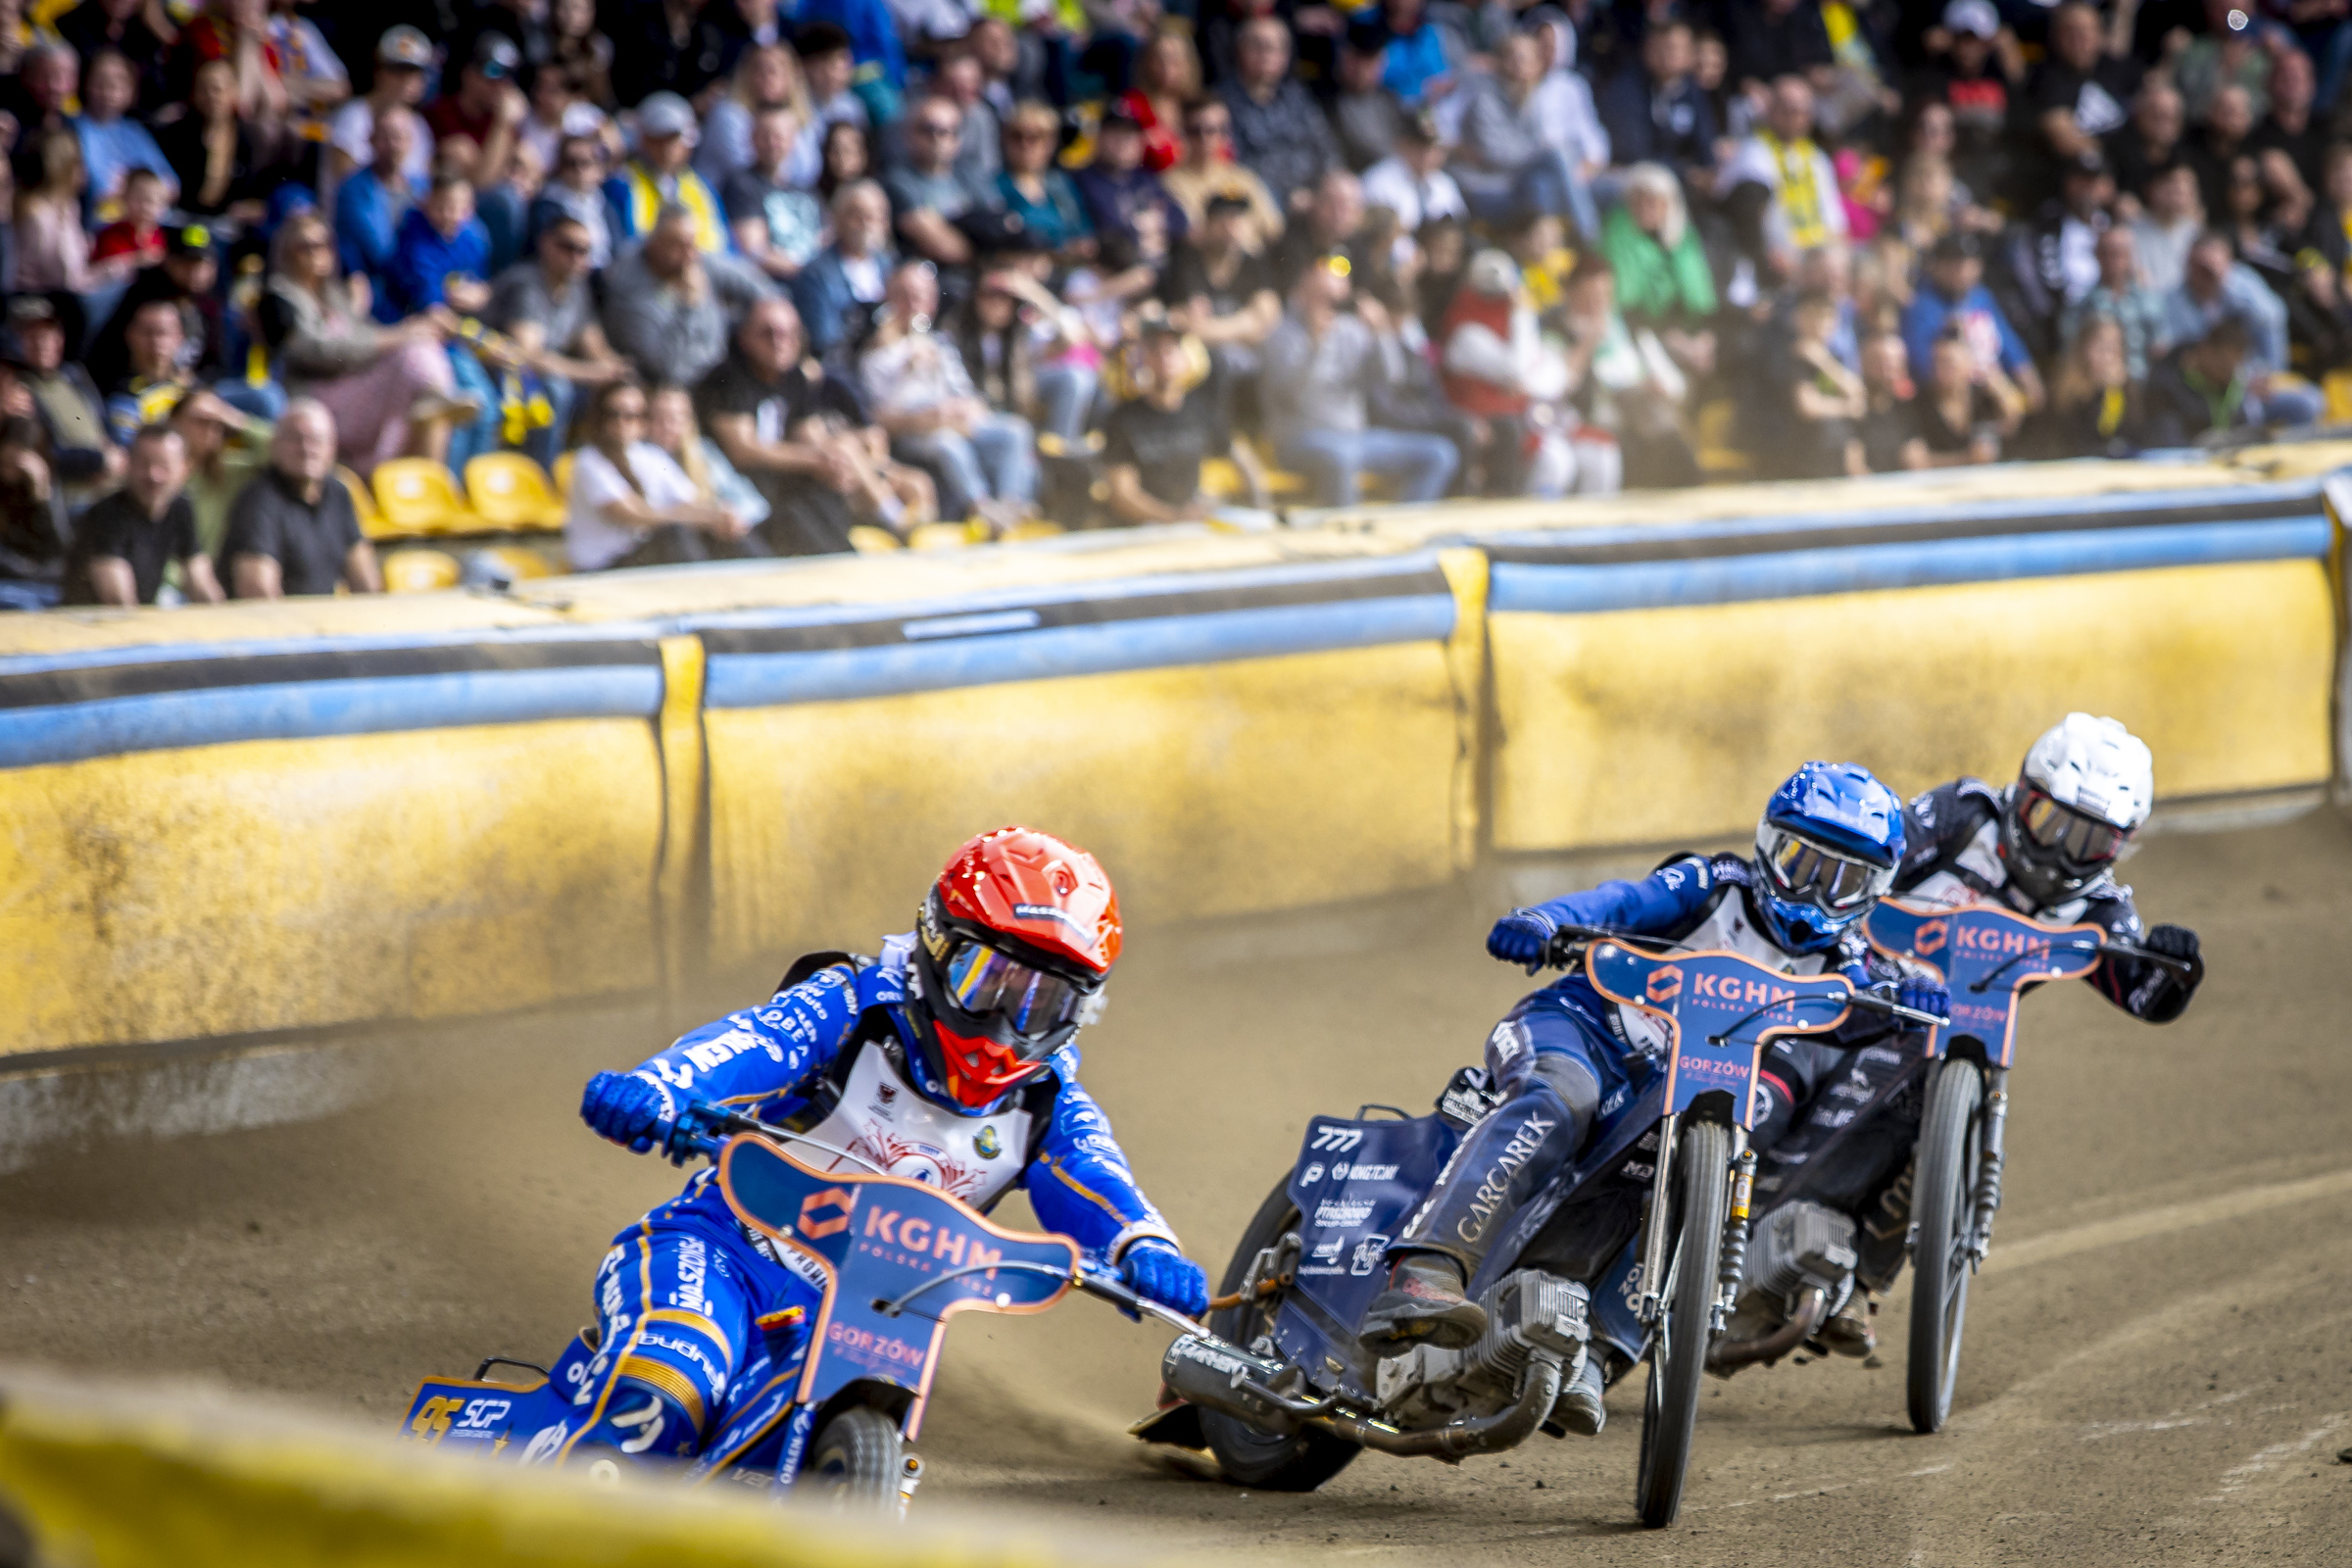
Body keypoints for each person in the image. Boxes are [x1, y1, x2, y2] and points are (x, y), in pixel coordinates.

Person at [566, 827, 1206, 1467]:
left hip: (864, 1323)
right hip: (719, 1255)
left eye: (1044, 1003)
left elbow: (1094, 1176)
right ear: (935, 944)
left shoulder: (1047, 1100)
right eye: (989, 983)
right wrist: (656, 1088)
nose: (1006, 1027)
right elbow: (746, 1044)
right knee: (671, 1380)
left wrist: (1146, 1247)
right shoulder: (852, 1006)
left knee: (786, 1450)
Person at [1360, 761, 1933, 1416]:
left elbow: (1881, 1002)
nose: (1816, 895)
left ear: (1874, 890)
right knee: (1559, 1099)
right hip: (1580, 1029)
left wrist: (1912, 991)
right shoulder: (1716, 883)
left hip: (1670, 1089)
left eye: (1844, 880)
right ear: (1769, 845)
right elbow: (1624, 903)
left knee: (1694, 1181)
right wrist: (1547, 919)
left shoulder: (1845, 963)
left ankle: (1597, 1349)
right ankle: (1427, 1269)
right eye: (1804, 863)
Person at [1896, 714, 2202, 1025]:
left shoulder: (2097, 908)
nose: (2060, 854)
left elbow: (2143, 997)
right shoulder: (1966, 811)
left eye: (2090, 840)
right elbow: (1877, 857)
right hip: (1861, 978)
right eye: (2050, 822)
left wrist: (2177, 967)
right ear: (2024, 790)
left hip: (1954, 1025)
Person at [697, 295, 919, 555]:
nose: (779, 342)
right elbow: (744, 451)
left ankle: (893, 523)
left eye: (788, 334)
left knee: (854, 454)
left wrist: (845, 461)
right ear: (745, 338)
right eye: (768, 334)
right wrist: (817, 460)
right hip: (737, 491)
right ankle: (891, 520)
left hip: (781, 482)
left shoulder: (793, 376)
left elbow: (809, 433)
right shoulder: (729, 379)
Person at [259, 211, 477, 473]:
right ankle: (433, 401)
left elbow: (362, 338)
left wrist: (398, 329)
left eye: (323, 244)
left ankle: (430, 485)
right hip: (316, 397)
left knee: (428, 387)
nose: (317, 252)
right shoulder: (278, 298)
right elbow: (315, 353)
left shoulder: (334, 294)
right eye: (305, 246)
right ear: (287, 252)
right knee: (413, 352)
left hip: (352, 386)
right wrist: (400, 334)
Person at [1260, 251, 1458, 507]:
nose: (1330, 299)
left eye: (1335, 292)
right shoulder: (1282, 334)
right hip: (1303, 438)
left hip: (1355, 436)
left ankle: (1400, 531)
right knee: (1340, 458)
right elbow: (1291, 396)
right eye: (1323, 292)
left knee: (1439, 454)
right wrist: (1315, 345)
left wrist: (1382, 335)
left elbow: (1392, 379)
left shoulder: (1351, 330)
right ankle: (1347, 536)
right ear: (1305, 287)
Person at [859, 260, 1036, 525]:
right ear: (890, 298)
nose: (913, 304)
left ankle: (1010, 506)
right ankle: (982, 510)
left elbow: (969, 396)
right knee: (948, 443)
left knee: (1014, 431)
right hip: (915, 432)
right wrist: (924, 415)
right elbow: (875, 419)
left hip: (953, 422)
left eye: (920, 297)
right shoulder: (875, 355)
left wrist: (963, 410)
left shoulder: (940, 345)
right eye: (905, 296)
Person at [485, 215, 628, 467]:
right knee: (557, 389)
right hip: (501, 373)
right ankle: (542, 475)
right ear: (546, 244)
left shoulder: (576, 289)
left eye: (583, 250)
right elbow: (528, 356)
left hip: (548, 375)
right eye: (567, 246)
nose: (575, 256)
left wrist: (620, 370)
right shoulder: (527, 284)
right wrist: (588, 373)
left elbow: (595, 348)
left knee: (623, 392)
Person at [564, 378, 751, 569]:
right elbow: (633, 514)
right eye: (613, 414)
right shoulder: (589, 460)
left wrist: (721, 515)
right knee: (675, 534)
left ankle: (762, 587)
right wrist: (705, 518)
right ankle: (705, 590)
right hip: (602, 567)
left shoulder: (651, 456)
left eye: (633, 415)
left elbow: (690, 502)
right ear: (599, 417)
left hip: (637, 560)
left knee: (730, 529)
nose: (622, 423)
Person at [1100, 305, 1256, 525]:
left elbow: (1242, 459)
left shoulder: (1201, 409)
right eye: (1155, 348)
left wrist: (1260, 505)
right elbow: (1123, 495)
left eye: (1171, 348)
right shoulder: (1122, 418)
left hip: (1188, 523)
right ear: (1144, 357)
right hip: (1142, 530)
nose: (1165, 356)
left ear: (1184, 356)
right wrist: (1175, 518)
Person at [601, 203, 775, 388]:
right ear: (655, 243)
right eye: (680, 245)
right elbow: (668, 371)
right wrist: (690, 307)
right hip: (667, 389)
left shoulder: (694, 260)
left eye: (693, 243)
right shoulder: (629, 292)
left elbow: (765, 291)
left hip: (718, 372)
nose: (690, 254)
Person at [220, 399, 381, 597]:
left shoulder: (339, 492)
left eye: (316, 439)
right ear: (274, 444)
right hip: (281, 624)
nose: (306, 449)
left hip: (323, 623)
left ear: (332, 447)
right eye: (295, 439)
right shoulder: (258, 500)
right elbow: (257, 589)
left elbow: (365, 580)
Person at [2158, 231, 2316, 427]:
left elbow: (2272, 318)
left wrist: (2225, 282)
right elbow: (2179, 354)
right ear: (2187, 265)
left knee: (2309, 402)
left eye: (2212, 265)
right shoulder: (2173, 300)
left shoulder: (2241, 284)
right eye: (2199, 266)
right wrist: (2239, 381)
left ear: (2229, 263)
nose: (2206, 273)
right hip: (2203, 391)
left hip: (2252, 382)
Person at [1453, 29, 1598, 240]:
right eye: (1513, 58)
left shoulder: (1534, 97)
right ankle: (1588, 236)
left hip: (1522, 181)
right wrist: (1542, 152)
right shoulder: (1483, 99)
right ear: (1500, 62)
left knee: (1608, 187)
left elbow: (1544, 144)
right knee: (1555, 157)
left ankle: (1552, 259)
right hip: (1488, 185)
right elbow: (1495, 155)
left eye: (1526, 59)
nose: (1519, 65)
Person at [62, 422, 222, 605]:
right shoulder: (107, 514)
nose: (153, 475)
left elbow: (201, 581)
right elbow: (118, 600)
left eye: (164, 465)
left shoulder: (180, 508)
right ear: (128, 464)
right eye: (144, 463)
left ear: (184, 469)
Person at [1716, 74, 1846, 287]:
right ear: (1770, 109)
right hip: (1773, 260)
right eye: (1786, 109)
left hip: (1817, 258)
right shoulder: (1753, 151)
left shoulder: (1817, 159)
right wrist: (1772, 255)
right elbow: (1750, 218)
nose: (1794, 117)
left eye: (1802, 111)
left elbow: (1836, 224)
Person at [1900, 232, 2041, 406]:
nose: (1961, 270)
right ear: (1936, 265)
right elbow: (1923, 367)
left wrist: (2029, 380)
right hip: (1945, 397)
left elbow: (2008, 344)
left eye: (1967, 263)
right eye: (1953, 264)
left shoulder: (1981, 297)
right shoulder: (1920, 306)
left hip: (1993, 391)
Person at [1218, 18, 1340, 217]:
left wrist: (1326, 186)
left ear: (1285, 56)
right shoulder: (1223, 102)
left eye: (1274, 48)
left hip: (1311, 194)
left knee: (1344, 191)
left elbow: (1325, 146)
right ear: (1239, 51)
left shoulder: (1297, 95)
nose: (1266, 54)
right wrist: (1289, 194)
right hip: (1260, 200)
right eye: (1257, 46)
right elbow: (1237, 166)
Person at [7, 293, 121, 503]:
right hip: (68, 499)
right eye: (30, 335)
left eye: (47, 333)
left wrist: (115, 452)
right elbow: (44, 454)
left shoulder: (75, 375)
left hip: (107, 490)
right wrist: (97, 462)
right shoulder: (16, 390)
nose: (41, 343)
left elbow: (104, 426)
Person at [605, 91, 731, 255]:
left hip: (704, 266)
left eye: (673, 138)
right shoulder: (622, 183)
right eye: (658, 138)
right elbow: (626, 245)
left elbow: (726, 245)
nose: (667, 148)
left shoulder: (700, 184)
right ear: (642, 139)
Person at [324, 24, 435, 201]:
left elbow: (423, 190)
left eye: (414, 72)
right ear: (380, 71)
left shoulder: (420, 125)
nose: (406, 80)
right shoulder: (352, 116)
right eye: (398, 70)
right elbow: (346, 187)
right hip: (356, 214)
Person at [1073, 102, 1185, 270]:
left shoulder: (1147, 179)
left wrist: (1153, 225)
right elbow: (1104, 228)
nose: (1123, 141)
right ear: (1099, 137)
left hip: (1156, 268)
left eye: (1130, 135)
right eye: (1115, 133)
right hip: (1109, 270)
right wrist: (1142, 226)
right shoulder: (1082, 180)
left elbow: (1180, 222)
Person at [1598, 19, 1716, 179]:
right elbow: (1634, 154)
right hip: (1641, 177)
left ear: (1690, 53)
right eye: (1661, 48)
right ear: (1647, 50)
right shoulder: (1626, 89)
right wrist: (1684, 172)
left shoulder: (1694, 91)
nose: (1667, 55)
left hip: (1687, 179)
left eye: (1674, 48)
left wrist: (1704, 171)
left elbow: (1705, 146)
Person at [880, 91, 985, 270]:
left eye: (945, 132)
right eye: (928, 130)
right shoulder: (897, 180)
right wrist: (985, 252)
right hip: (929, 276)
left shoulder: (969, 176)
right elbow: (942, 246)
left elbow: (1000, 224)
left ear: (957, 139)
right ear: (909, 134)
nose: (937, 139)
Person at [793, 178, 896, 357]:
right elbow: (823, 338)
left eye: (874, 216)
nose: (866, 223)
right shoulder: (816, 274)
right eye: (857, 215)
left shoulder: (889, 265)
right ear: (837, 219)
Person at [1160, 95, 1284, 244]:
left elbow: (1274, 230)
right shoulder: (1168, 184)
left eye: (1214, 130)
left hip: (1251, 262)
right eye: (1196, 130)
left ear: (1226, 134)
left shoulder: (1243, 178)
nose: (1205, 139)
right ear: (1183, 132)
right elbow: (1193, 236)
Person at [2028, 313, 2152, 459]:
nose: (2108, 356)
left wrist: (2114, 392)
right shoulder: (2064, 392)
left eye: (2115, 346)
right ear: (2083, 347)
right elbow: (2085, 440)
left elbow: (2131, 435)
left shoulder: (2124, 389)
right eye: (2101, 347)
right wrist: (2101, 393)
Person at [73, 46, 174, 221]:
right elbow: (95, 190)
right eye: (100, 81)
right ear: (85, 82)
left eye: (119, 81)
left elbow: (170, 184)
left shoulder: (133, 130)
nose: (108, 89)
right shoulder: (73, 128)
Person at [725, 105, 824, 285]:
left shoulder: (807, 190)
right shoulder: (742, 185)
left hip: (813, 284)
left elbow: (825, 240)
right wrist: (809, 271)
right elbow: (754, 252)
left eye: (779, 136)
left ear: (793, 140)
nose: (772, 143)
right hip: (773, 287)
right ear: (752, 138)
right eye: (764, 136)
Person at [334, 107, 423, 305]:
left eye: (399, 137)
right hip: (375, 286)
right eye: (385, 137)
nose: (393, 145)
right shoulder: (354, 189)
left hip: (417, 278)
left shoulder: (423, 188)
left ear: (411, 142)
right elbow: (380, 252)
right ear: (371, 139)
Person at [2060, 224, 2167, 381]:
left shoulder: (2150, 301)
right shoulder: (2081, 305)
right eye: (2105, 252)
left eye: (2119, 252)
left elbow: (2161, 350)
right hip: (2098, 387)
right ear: (2096, 255)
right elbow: (2070, 352)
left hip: (2145, 388)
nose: (2112, 259)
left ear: (2131, 256)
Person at [424, 33, 529, 193]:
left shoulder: (497, 115)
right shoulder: (442, 113)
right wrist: (502, 123)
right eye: (493, 72)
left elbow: (528, 171)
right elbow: (481, 183)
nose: (500, 85)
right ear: (468, 74)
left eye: (508, 75)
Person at [1910, 324, 2023, 466]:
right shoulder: (1920, 404)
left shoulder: (1984, 395)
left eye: (1949, 363)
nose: (1940, 369)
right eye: (1936, 362)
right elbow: (1915, 461)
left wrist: (1999, 386)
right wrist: (1967, 459)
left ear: (1968, 363)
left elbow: (2013, 424)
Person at [993, 100, 1092, 261]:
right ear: (1005, 139)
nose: (1026, 144)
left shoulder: (1061, 184)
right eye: (1017, 136)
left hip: (1066, 269)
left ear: (1050, 142)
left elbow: (1082, 233)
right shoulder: (994, 186)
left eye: (1035, 137)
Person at [2142, 317, 2252, 444]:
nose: (2228, 374)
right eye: (2223, 365)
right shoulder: (2165, 383)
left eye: (2234, 367)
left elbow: (2242, 431)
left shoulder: (2231, 385)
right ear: (2205, 350)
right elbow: (2169, 442)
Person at [1359, 111, 1465, 236]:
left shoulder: (1445, 184)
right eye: (1419, 145)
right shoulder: (1378, 181)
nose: (1428, 154)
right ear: (1403, 143)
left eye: (1434, 147)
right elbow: (1376, 237)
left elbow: (1459, 229)